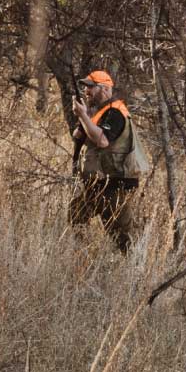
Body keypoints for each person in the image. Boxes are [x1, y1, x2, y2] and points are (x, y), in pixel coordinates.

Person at [67, 68, 144, 253]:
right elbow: (82, 136)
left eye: (91, 87)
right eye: (86, 87)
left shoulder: (116, 113)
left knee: (122, 236)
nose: (87, 91)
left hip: (118, 182)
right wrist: (82, 123)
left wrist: (83, 116)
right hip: (103, 181)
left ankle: (135, 271)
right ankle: (86, 257)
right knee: (76, 214)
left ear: (105, 89)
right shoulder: (102, 113)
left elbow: (102, 140)